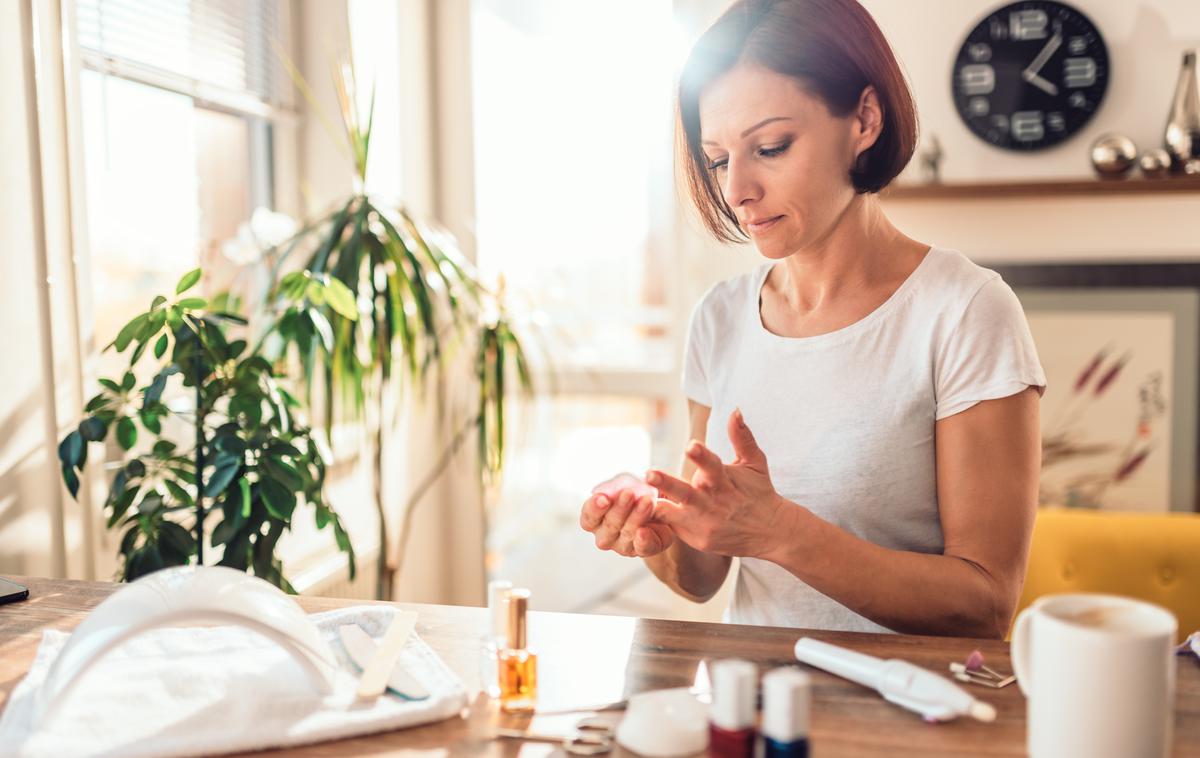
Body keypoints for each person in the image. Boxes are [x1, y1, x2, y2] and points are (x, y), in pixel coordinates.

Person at [578, 0, 1046, 638]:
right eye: (717, 159)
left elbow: (986, 602)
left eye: (770, 146)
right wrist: (656, 531)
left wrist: (780, 531)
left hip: (906, 721)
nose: (737, 188)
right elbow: (703, 577)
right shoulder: (719, 318)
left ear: (865, 119)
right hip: (753, 713)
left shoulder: (964, 312)